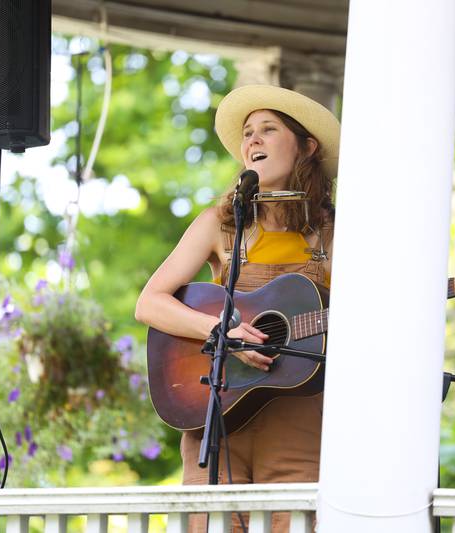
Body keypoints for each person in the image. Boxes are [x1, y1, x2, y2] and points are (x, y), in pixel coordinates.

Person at [135, 84, 340, 533]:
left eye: (269, 129)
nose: (253, 141)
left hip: (299, 423)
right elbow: (150, 302)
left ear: (307, 146)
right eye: (248, 133)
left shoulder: (334, 232)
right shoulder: (220, 224)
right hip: (215, 412)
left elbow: (370, 314)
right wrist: (219, 332)